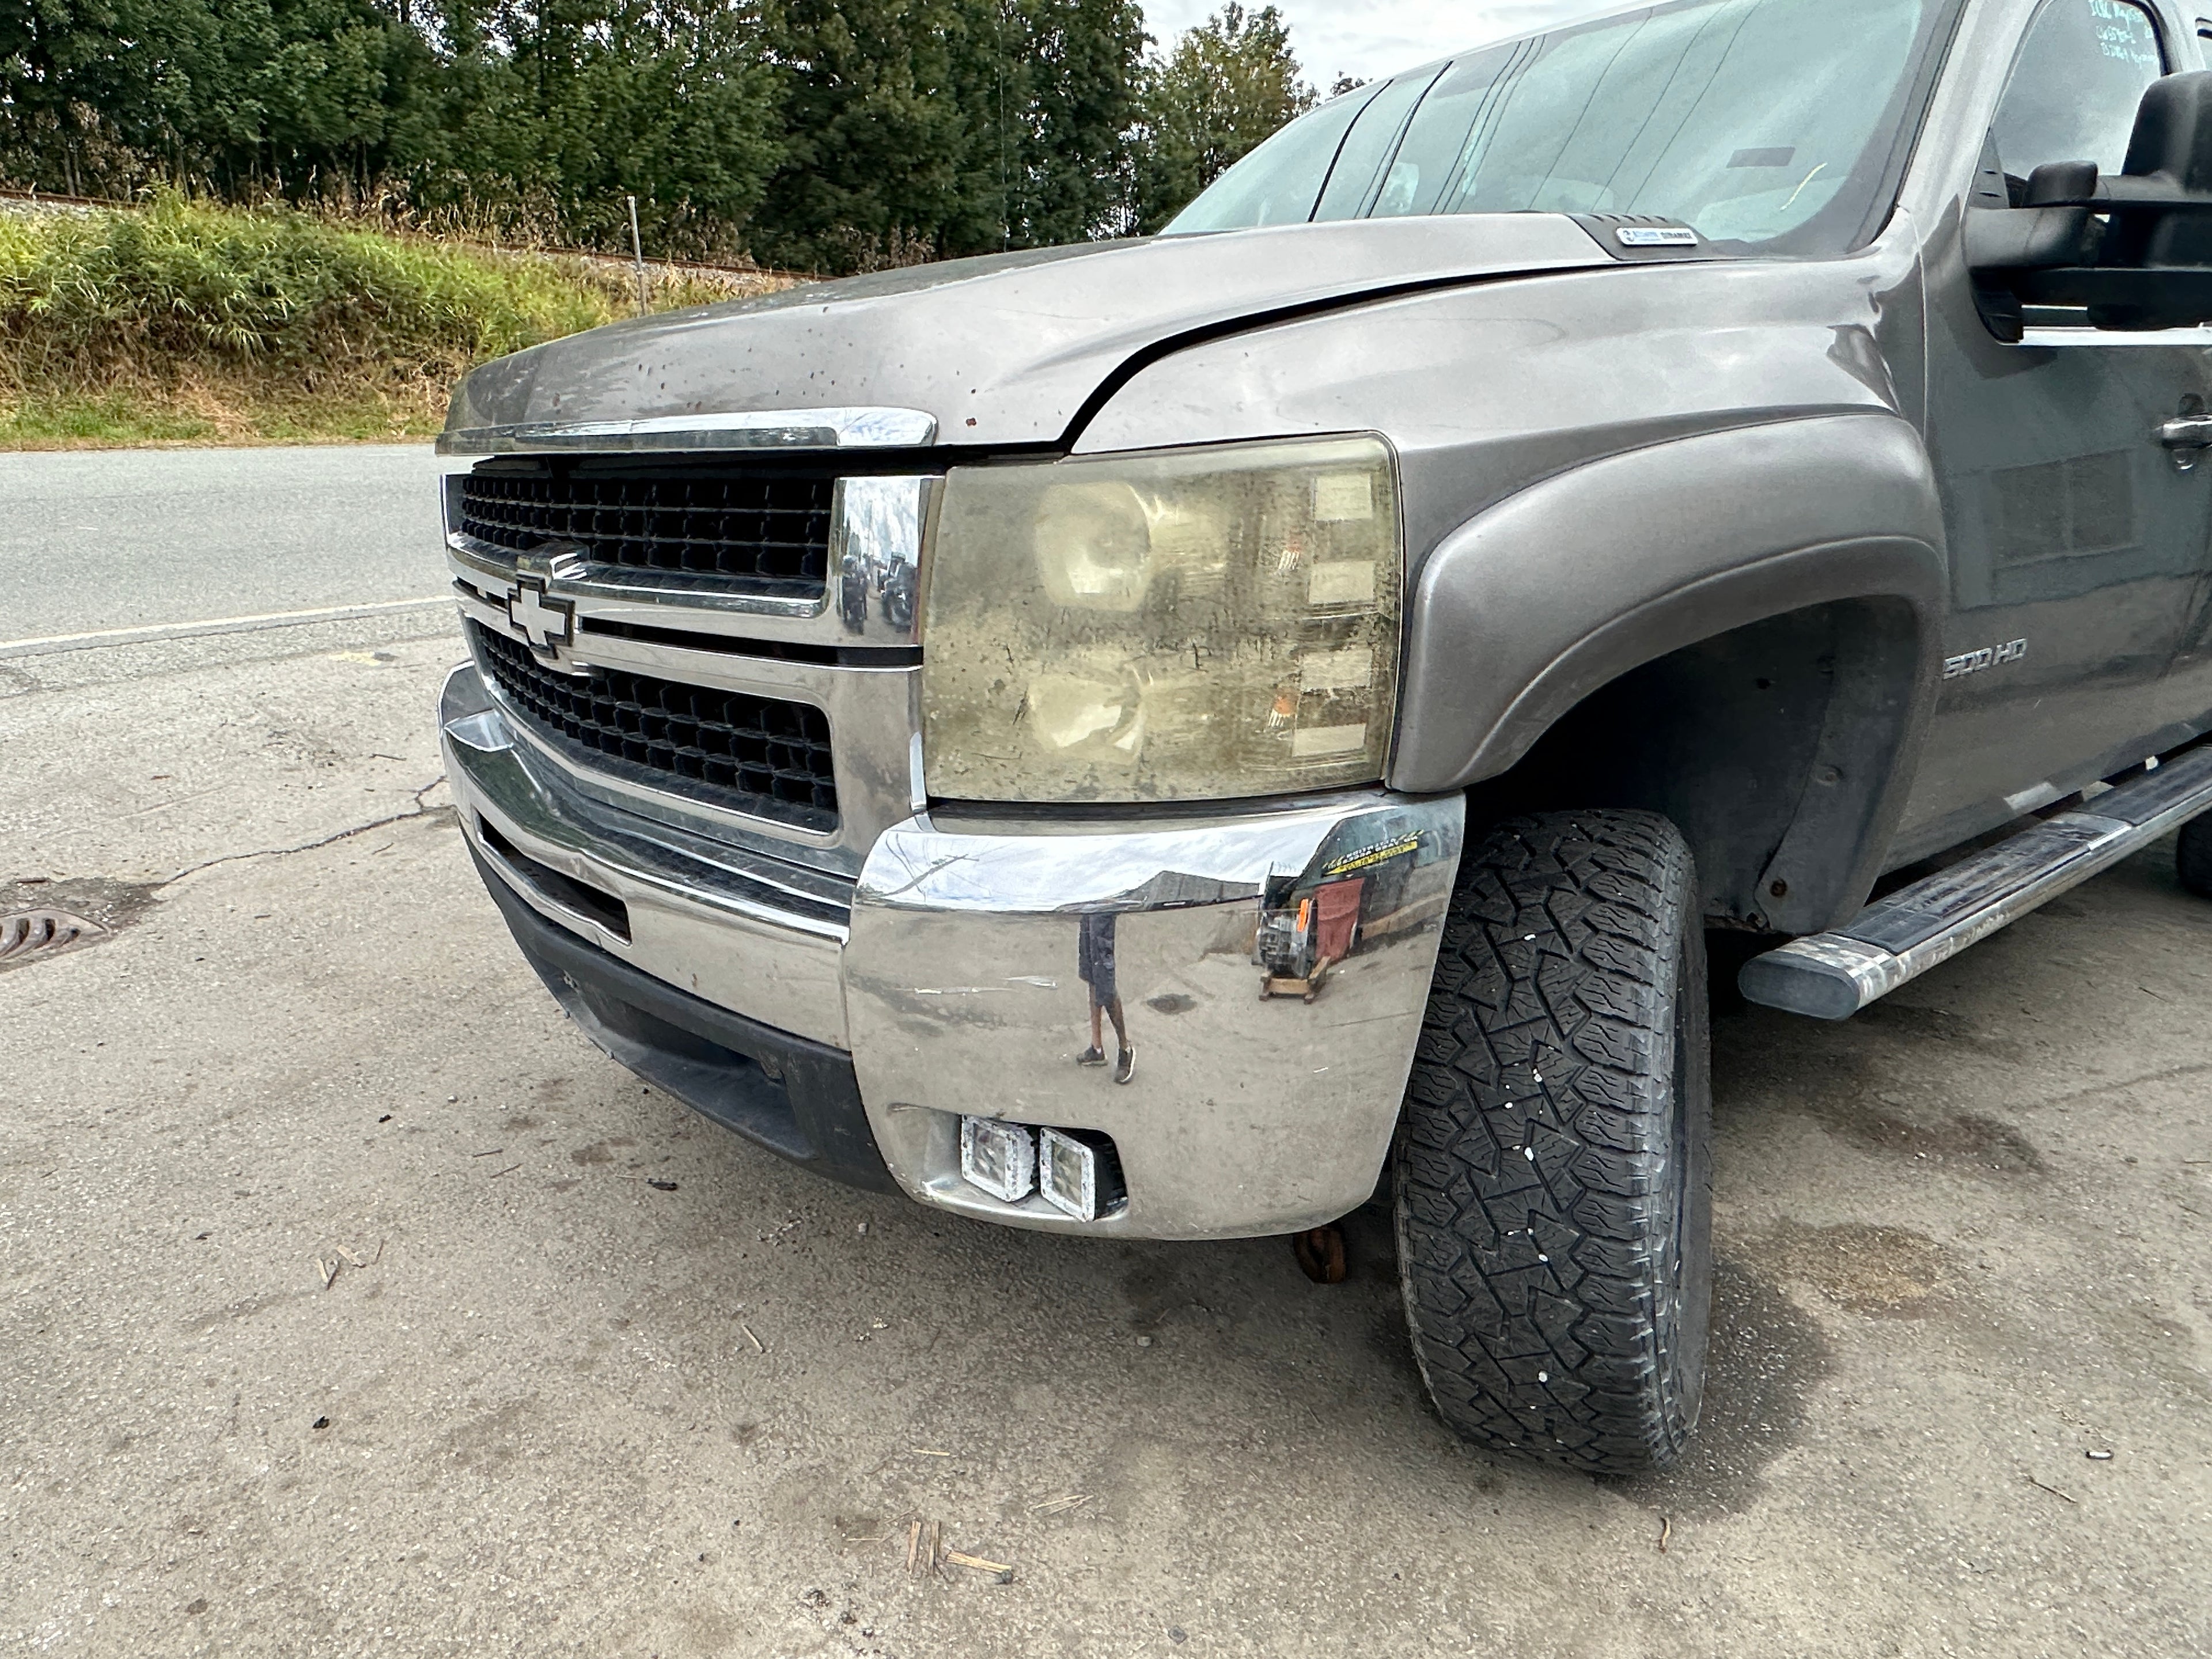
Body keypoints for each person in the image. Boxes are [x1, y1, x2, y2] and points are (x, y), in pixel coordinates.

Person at [1075, 911, 1134, 1084]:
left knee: (1104, 981)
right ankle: (1097, 1048)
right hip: (1089, 904)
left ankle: (1125, 1048)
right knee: (1091, 973)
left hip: (1103, 910)